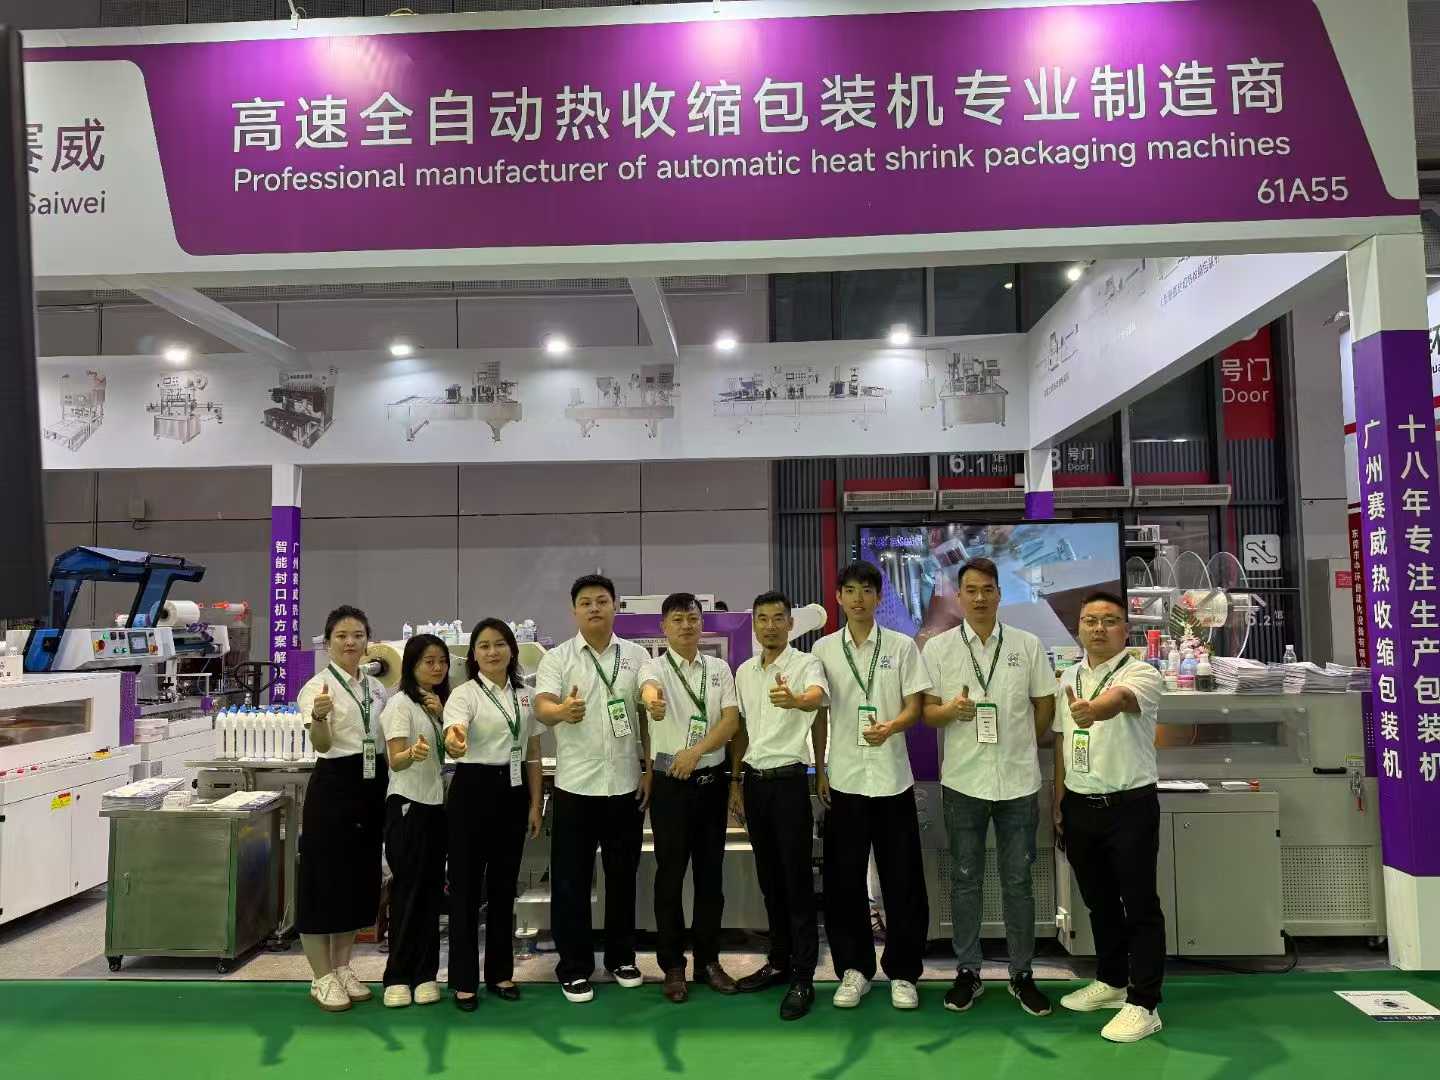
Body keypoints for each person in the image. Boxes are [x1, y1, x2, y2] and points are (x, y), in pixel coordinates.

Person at [922, 557, 1056, 1018]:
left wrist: (1023, 742)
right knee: (965, 879)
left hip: (1018, 781)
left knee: (1018, 881)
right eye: (971, 590)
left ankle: (1022, 974)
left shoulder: (1027, 644)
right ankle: (968, 971)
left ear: (1000, 594)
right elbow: (928, 712)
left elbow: (1044, 703)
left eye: (987, 589)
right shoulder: (939, 649)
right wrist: (949, 712)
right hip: (963, 781)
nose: (979, 598)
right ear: (959, 597)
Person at [811, 561, 932, 1012]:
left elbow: (915, 706)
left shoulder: (901, 646)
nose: (858, 598)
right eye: (850, 590)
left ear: (879, 597)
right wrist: (821, 769)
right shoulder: (823, 649)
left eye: (866, 590)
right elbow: (820, 713)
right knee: (843, 881)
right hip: (844, 779)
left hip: (892, 779)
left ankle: (903, 972)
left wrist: (891, 727)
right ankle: (854, 969)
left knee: (903, 880)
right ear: (838, 597)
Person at [1053, 591, 1167, 1043]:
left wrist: (1093, 710)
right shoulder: (1069, 676)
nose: (1098, 628)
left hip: (1129, 807)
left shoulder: (1141, 673)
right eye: (1090, 620)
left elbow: (1119, 700)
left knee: (1139, 905)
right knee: (1098, 902)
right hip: (1081, 806)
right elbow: (1063, 743)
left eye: (1109, 620)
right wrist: (1058, 800)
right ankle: (1112, 981)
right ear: (1079, 627)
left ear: (1125, 629)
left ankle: (1145, 1003)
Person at [534, 574, 652, 1004]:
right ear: (574, 611)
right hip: (575, 787)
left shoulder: (638, 656)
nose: (594, 608)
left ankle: (622, 958)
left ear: (615, 605)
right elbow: (541, 706)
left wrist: (648, 768)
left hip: (624, 786)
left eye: (602, 600)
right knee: (570, 882)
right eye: (585, 602)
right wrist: (562, 710)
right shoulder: (558, 658)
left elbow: (645, 712)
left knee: (623, 878)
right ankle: (574, 967)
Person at [639, 592, 742, 1003]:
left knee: (710, 877)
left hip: (710, 782)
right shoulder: (654, 667)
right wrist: (654, 703)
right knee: (670, 876)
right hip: (671, 786)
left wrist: (695, 752)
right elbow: (649, 692)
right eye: (678, 619)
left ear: (702, 624)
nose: (686, 625)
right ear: (663, 627)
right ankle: (672, 965)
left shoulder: (718, 669)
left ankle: (708, 961)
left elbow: (730, 722)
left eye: (693, 618)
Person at [730, 590, 829, 1021]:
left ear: (790, 624)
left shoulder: (806, 665)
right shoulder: (745, 672)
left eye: (777, 618)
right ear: (754, 624)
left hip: (789, 783)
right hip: (754, 784)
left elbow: (817, 700)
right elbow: (741, 730)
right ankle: (779, 960)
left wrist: (796, 700)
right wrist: (735, 782)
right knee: (770, 880)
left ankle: (803, 975)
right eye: (762, 619)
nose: (770, 626)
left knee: (797, 883)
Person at [443, 618, 544, 1010]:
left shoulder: (526, 696)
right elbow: (455, 731)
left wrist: (535, 804)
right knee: (466, 890)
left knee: (504, 887)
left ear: (512, 650)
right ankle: (463, 980)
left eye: (499, 644)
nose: (492, 652)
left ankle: (501, 973)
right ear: (473, 654)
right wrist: (454, 739)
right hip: (472, 790)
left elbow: (532, 754)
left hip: (514, 793)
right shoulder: (464, 695)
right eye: (483, 645)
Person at [295, 605, 389, 1012]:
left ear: (368, 641)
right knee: (323, 881)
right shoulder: (317, 688)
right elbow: (321, 744)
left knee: (357, 879)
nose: (351, 642)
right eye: (342, 636)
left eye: (357, 635)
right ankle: (321, 976)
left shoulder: (376, 689)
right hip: (334, 787)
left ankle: (343, 966)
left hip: (371, 785)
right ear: (328, 642)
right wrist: (320, 718)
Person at [377, 634, 450, 1009]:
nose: (437, 668)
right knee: (407, 893)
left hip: (435, 807)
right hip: (408, 805)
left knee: (431, 894)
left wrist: (443, 716)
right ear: (412, 665)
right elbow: (396, 759)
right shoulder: (400, 704)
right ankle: (397, 976)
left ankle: (426, 974)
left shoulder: (436, 705)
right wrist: (413, 753)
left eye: (442, 661)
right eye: (428, 661)